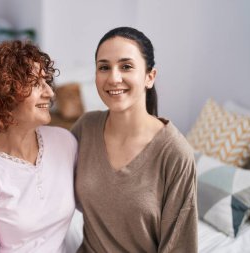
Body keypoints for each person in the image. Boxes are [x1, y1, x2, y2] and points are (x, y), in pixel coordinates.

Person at [71, 27, 198, 252]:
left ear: (150, 77)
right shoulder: (86, 127)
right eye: (104, 67)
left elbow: (180, 247)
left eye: (126, 66)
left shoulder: (176, 154)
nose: (113, 78)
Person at [0, 40, 77, 253]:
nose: (50, 93)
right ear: (4, 93)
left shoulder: (64, 141)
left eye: (47, 81)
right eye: (36, 83)